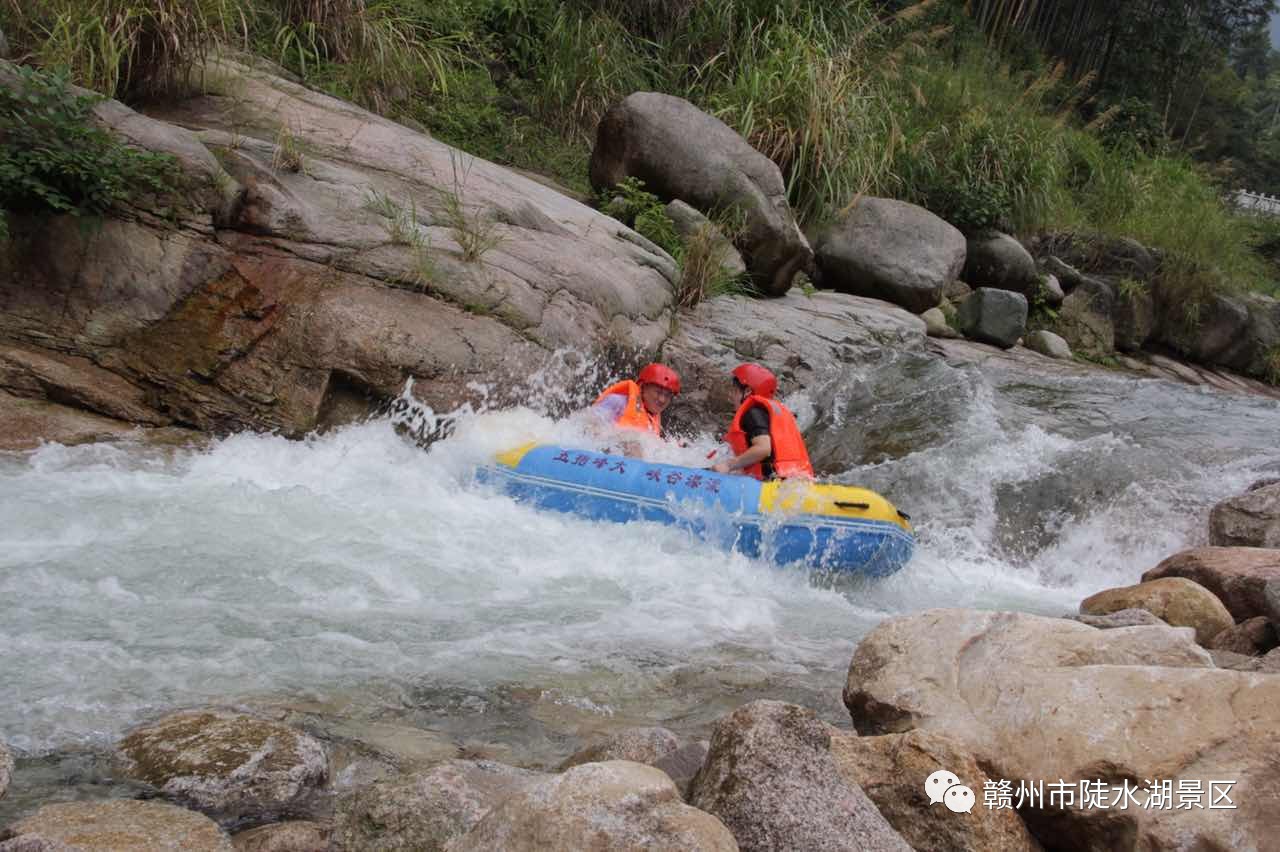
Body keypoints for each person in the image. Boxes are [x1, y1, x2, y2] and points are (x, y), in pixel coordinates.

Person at [711, 363, 814, 479]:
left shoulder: (752, 413)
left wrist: (728, 465)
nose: (730, 395)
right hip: (794, 481)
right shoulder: (768, 413)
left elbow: (763, 449)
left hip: (774, 484)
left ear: (748, 391)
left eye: (734, 391)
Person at [591, 363, 680, 455]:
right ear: (642, 386)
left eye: (667, 395)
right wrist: (622, 440)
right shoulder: (618, 401)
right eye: (658, 392)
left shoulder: (651, 420)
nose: (662, 399)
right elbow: (589, 427)